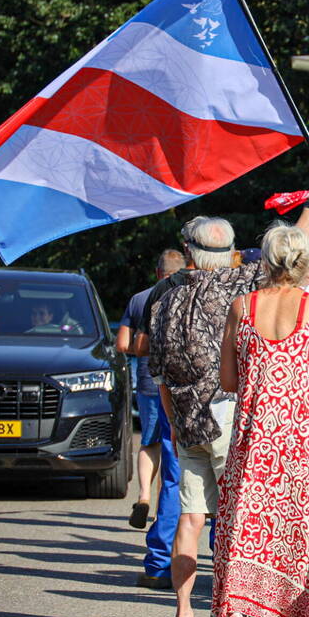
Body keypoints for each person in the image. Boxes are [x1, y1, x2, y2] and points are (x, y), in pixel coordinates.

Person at [149, 167, 309, 617]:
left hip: (186, 419)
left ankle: (183, 613)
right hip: (231, 414)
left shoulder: (162, 297)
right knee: (245, 523)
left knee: (190, 519)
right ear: (229, 251)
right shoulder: (236, 287)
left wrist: (172, 421)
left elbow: (158, 372)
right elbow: (295, 249)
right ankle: (247, 615)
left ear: (190, 252)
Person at [212, 223, 309, 617]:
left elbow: (229, 382)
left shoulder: (242, 306)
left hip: (254, 441)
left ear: (267, 261)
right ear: (306, 261)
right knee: (301, 533)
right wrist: (307, 373)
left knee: (252, 529)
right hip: (303, 442)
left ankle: (250, 616)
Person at [116, 249, 186, 591]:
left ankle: (144, 494)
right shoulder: (195, 295)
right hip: (187, 391)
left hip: (149, 384)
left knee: (150, 444)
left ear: (157, 270)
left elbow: (124, 344)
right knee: (178, 473)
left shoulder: (140, 298)